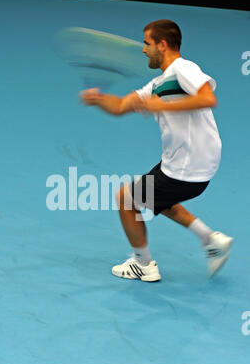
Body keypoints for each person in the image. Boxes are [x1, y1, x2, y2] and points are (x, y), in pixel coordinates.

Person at [80, 19, 233, 281]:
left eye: (146, 43)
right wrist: (98, 100)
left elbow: (208, 98)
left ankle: (143, 264)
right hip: (183, 164)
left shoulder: (183, 69)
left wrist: (161, 107)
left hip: (188, 166)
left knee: (126, 199)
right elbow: (120, 107)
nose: (142, 50)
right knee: (155, 198)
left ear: (162, 45)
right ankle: (211, 239)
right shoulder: (157, 84)